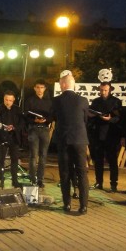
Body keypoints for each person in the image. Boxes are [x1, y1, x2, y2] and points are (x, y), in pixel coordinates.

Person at [51, 72, 90, 214]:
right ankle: (83, 206)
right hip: (80, 140)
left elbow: (53, 117)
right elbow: (85, 119)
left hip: (63, 140)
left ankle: (67, 204)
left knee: (65, 172)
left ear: (63, 84)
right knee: (82, 173)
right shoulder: (83, 100)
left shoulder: (56, 100)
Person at [88, 82, 122, 192]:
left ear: (110, 90)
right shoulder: (96, 101)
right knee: (98, 160)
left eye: (106, 90)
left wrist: (110, 119)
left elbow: (119, 118)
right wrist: (91, 115)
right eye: (101, 90)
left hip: (111, 135)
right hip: (97, 134)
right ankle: (99, 182)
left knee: (112, 160)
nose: (103, 92)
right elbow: (91, 116)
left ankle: (113, 184)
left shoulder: (116, 101)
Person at [24, 79, 53, 189]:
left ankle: (40, 179)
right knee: (33, 155)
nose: (40, 90)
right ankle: (32, 178)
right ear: (34, 88)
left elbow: (52, 116)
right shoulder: (30, 100)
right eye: (38, 87)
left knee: (43, 156)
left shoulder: (49, 102)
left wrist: (46, 120)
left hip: (45, 129)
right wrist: (34, 120)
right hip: (33, 129)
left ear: (45, 89)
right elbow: (26, 115)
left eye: (42, 88)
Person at [0, 90, 24, 188]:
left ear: (13, 99)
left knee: (14, 159)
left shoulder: (18, 110)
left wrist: (14, 127)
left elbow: (22, 123)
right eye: (6, 100)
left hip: (14, 137)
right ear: (3, 99)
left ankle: (14, 180)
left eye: (10, 100)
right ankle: (1, 179)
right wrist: (4, 127)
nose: (8, 102)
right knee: (1, 159)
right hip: (2, 137)